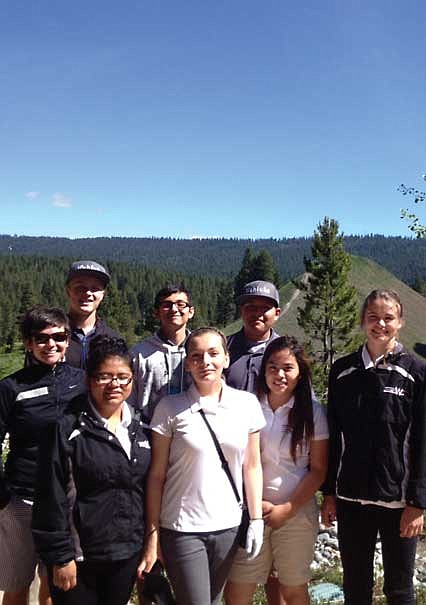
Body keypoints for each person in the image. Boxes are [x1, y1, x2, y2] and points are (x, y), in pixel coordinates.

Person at [139, 327, 265, 605]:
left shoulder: (246, 404)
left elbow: (252, 466)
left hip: (228, 526)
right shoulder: (170, 408)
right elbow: (157, 475)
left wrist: (255, 519)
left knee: (213, 600)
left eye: (213, 354)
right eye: (196, 356)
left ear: (226, 358)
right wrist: (153, 533)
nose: (205, 362)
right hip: (182, 527)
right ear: (187, 363)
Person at [321, 288, 426, 605]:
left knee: (399, 589)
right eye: (372, 318)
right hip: (350, 498)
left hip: (398, 502)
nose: (380, 324)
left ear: (401, 322)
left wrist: (418, 503)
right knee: (355, 586)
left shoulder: (417, 372)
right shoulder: (342, 371)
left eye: (388, 318)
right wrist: (328, 493)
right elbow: (333, 436)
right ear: (362, 322)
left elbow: (423, 441)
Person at [32, 335, 151, 605]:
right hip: (80, 556)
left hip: (126, 552)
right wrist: (60, 557)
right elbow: (50, 496)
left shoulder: (141, 427)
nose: (114, 384)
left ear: (132, 379)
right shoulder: (65, 427)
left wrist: (146, 543)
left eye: (122, 377)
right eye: (104, 376)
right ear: (88, 379)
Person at [225, 336, 328, 605]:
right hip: (251, 511)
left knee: (292, 589)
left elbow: (318, 469)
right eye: (272, 367)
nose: (279, 375)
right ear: (263, 370)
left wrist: (288, 509)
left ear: (300, 372)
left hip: (296, 512)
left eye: (287, 368)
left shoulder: (312, 412)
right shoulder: (248, 406)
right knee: (238, 588)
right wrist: (254, 505)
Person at [0, 306, 86, 605]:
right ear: (28, 342)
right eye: (41, 338)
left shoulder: (81, 381)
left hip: (67, 498)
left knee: (57, 583)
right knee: (17, 584)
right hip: (23, 499)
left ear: (68, 339)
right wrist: (3, 496)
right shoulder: (11, 388)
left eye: (59, 336)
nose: (51, 344)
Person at [130, 285, 195, 421]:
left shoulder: (202, 352)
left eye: (180, 304)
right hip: (147, 431)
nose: (174, 309)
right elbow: (129, 400)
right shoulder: (138, 354)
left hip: (192, 432)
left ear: (191, 312)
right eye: (167, 305)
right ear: (156, 312)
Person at [226, 281, 281, 393]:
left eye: (265, 308)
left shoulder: (285, 352)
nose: (257, 313)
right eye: (250, 306)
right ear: (241, 311)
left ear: (277, 313)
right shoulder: (222, 348)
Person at [65, 260, 120, 368]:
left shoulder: (113, 339)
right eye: (80, 287)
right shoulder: (52, 337)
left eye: (95, 288)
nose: (88, 293)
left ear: (103, 294)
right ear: (68, 291)